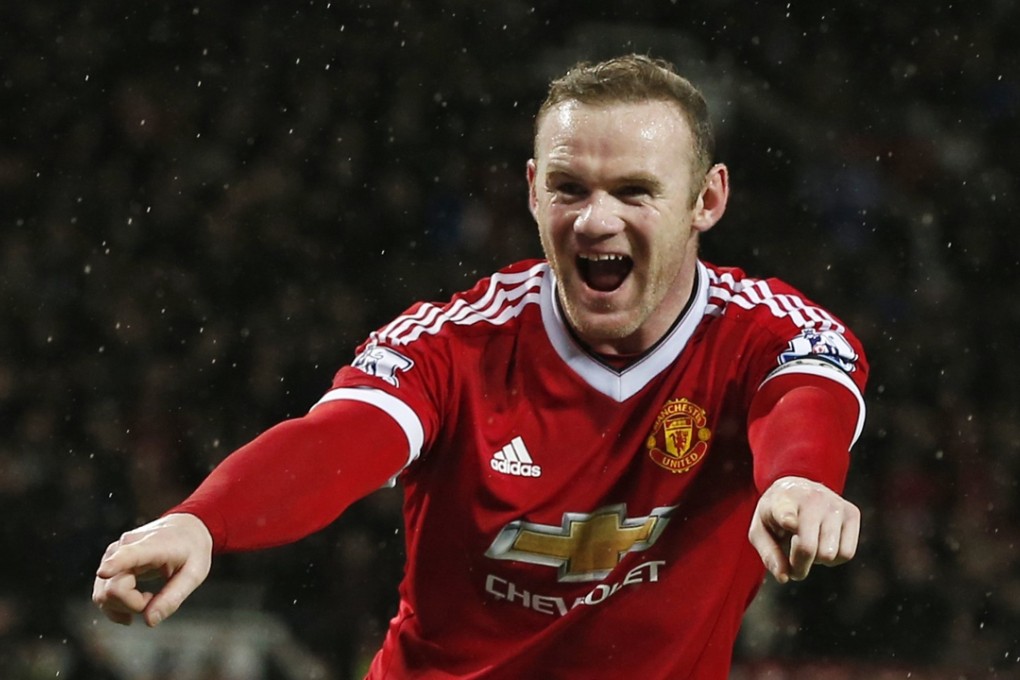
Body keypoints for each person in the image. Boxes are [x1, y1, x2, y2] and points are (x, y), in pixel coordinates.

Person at [93, 54, 869, 679]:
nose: (597, 220)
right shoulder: (456, 344)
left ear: (707, 199)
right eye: (570, 188)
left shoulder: (762, 332)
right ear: (533, 192)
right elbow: (336, 440)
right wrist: (204, 519)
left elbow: (806, 392)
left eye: (635, 191)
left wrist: (800, 476)